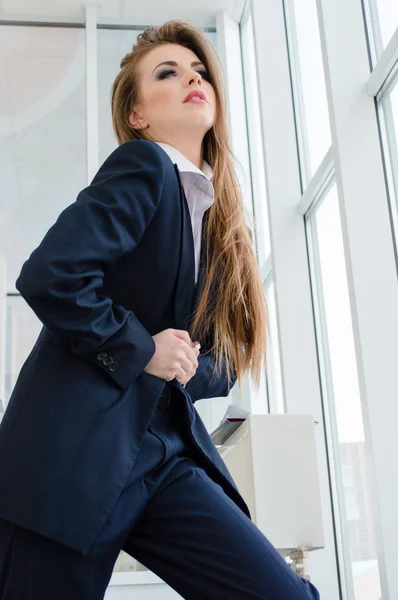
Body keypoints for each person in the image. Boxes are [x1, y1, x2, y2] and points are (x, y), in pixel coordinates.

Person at [0, 19, 320, 600]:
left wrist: (176, 360)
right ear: (137, 116)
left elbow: (217, 360)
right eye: (167, 74)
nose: (191, 79)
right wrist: (142, 348)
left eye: (199, 71)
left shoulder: (219, 225)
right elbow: (51, 275)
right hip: (73, 455)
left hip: (165, 456)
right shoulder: (145, 166)